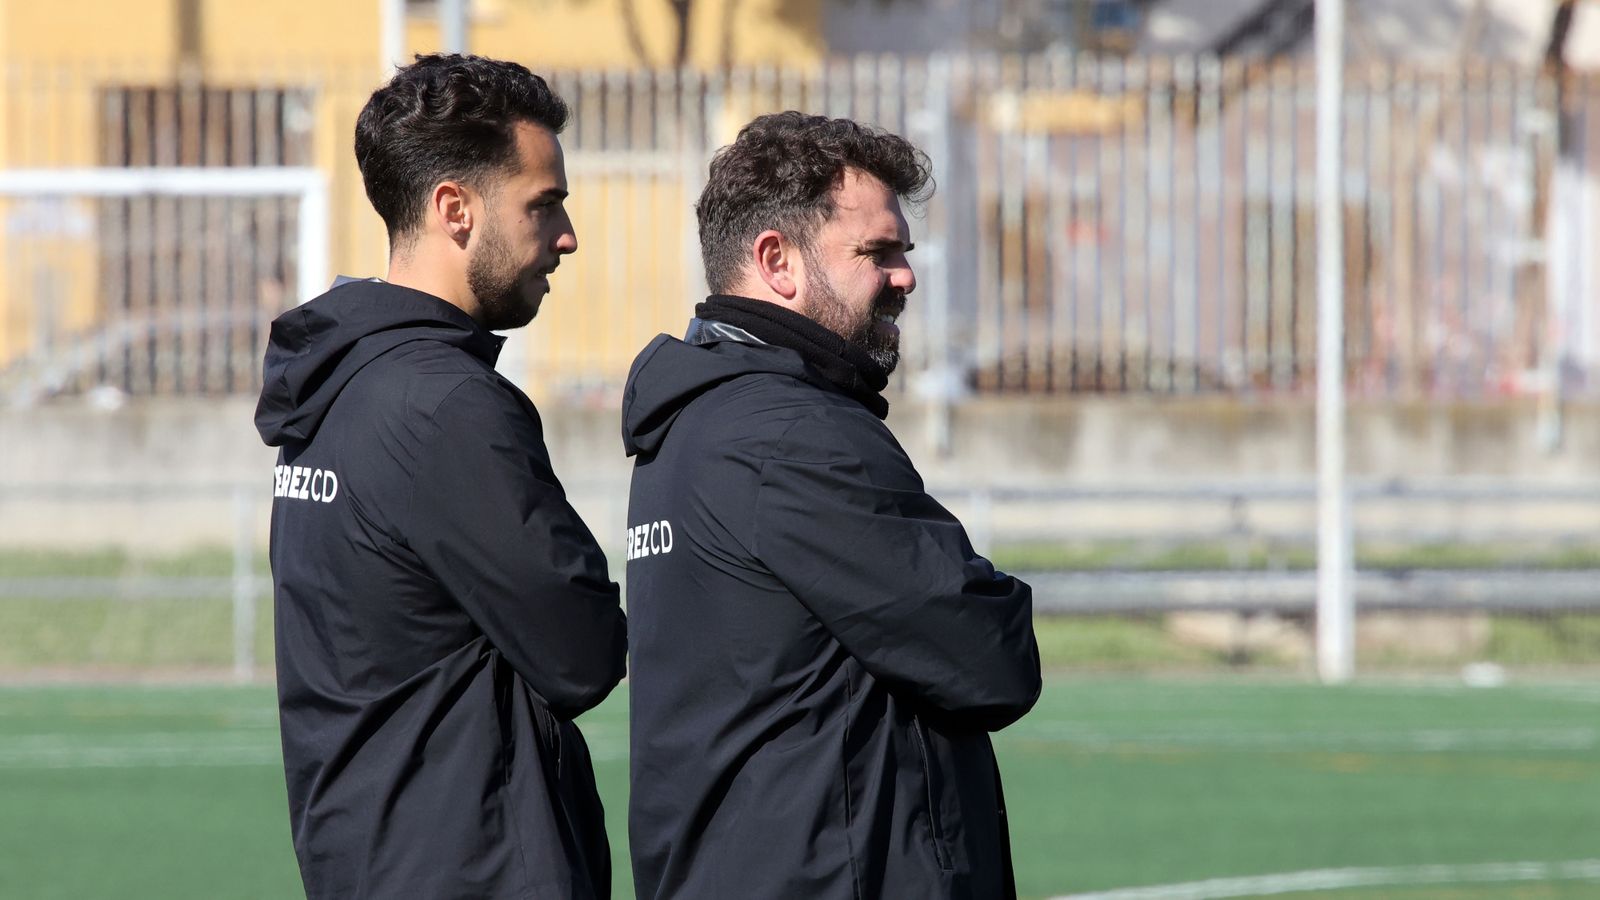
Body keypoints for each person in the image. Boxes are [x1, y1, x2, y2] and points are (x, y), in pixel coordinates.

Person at [621, 111, 1042, 899]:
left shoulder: (688, 422)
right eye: (876, 254)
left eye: (904, 255)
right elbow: (992, 658)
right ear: (776, 260)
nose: (905, 278)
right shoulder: (794, 435)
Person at [254, 54, 626, 900]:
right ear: (455, 208)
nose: (566, 236)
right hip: (474, 868)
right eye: (545, 204)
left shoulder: (335, 382)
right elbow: (585, 654)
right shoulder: (448, 404)